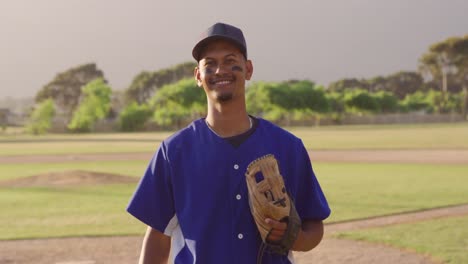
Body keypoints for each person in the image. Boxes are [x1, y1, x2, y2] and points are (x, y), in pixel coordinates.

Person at [127, 22, 331, 264]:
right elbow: (158, 238)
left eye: (229, 60)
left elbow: (314, 227)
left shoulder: (287, 146)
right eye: (209, 64)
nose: (220, 70)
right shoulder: (174, 151)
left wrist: (291, 236)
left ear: (248, 69)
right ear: (198, 76)